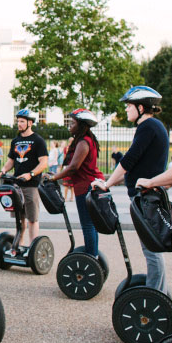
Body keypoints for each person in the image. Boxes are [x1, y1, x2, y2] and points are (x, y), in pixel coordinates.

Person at [92, 86, 169, 295]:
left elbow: (129, 161)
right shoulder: (153, 126)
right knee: (151, 248)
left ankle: (155, 295)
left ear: (141, 107)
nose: (126, 110)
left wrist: (106, 184)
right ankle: (160, 292)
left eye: (129, 106)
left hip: (146, 197)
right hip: (147, 196)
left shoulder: (148, 126)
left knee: (151, 250)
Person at [46, 109, 104, 257]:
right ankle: (94, 255)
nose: (70, 126)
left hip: (85, 187)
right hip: (88, 185)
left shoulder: (84, 142)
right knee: (91, 224)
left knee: (88, 224)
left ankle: (92, 256)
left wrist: (54, 178)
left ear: (82, 125)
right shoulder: (85, 140)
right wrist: (57, 174)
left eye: (73, 123)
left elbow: (73, 167)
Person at [0, 109, 48, 251]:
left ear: (30, 123)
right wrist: (3, 170)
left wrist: (31, 174)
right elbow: (11, 161)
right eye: (18, 121)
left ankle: (33, 248)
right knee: (19, 218)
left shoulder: (38, 140)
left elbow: (43, 163)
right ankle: (18, 245)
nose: (19, 124)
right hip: (16, 185)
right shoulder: (15, 141)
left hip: (31, 185)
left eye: (22, 121)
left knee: (32, 219)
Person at [62, 137, 75, 202]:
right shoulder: (75, 148)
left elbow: (64, 157)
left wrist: (62, 166)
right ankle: (72, 197)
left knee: (66, 183)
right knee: (72, 184)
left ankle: (65, 197)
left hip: (66, 166)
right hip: (72, 166)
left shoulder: (65, 148)